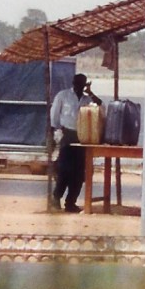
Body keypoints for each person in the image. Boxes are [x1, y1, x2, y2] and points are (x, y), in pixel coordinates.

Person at [50, 73, 94, 213]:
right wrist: (55, 133)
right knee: (64, 170)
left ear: (85, 85)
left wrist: (91, 93)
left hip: (82, 137)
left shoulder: (88, 100)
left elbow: (100, 107)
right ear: (73, 83)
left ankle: (71, 202)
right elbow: (54, 116)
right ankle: (56, 198)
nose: (79, 86)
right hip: (67, 135)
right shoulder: (63, 96)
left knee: (79, 173)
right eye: (77, 83)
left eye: (82, 83)